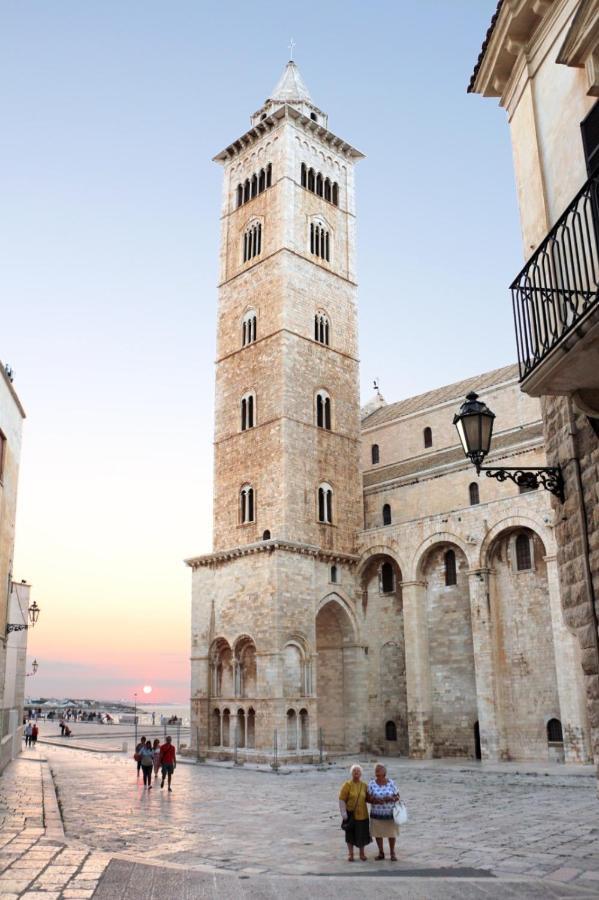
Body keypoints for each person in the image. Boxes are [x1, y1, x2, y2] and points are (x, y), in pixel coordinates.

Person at [367, 763, 400, 861]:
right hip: (377, 813)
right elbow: (367, 798)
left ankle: (392, 853)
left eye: (379, 769)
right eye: (376, 770)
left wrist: (391, 798)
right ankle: (381, 852)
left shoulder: (391, 782)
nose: (377, 771)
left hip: (390, 813)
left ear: (384, 772)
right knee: (378, 833)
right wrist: (375, 800)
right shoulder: (371, 783)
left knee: (391, 833)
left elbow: (398, 796)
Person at [338, 764, 371, 862]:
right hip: (351, 814)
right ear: (351, 773)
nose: (356, 772)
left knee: (362, 834)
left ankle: (362, 853)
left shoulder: (364, 785)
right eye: (354, 771)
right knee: (350, 835)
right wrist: (343, 813)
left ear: (361, 773)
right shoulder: (347, 785)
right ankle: (351, 854)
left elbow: (368, 798)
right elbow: (342, 799)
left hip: (363, 814)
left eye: (358, 771)